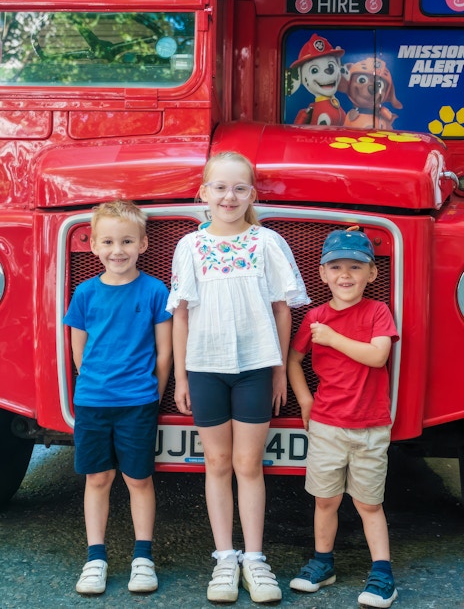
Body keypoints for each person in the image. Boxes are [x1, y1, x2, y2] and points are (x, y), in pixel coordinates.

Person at [167, 151, 309, 604]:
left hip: (253, 369)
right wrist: (183, 377)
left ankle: (255, 558)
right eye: (220, 187)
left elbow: (281, 310)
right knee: (217, 463)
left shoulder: (266, 242)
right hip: (206, 369)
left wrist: (278, 369)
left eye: (240, 188)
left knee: (249, 465)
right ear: (203, 193)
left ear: (252, 194)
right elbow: (182, 315)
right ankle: (225, 557)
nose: (230, 196)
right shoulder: (190, 246)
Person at [63, 200, 173, 596]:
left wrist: (152, 394)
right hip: (93, 401)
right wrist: (95, 384)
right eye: (108, 241)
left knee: (138, 478)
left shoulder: (155, 290)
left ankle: (143, 558)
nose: (118, 250)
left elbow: (165, 353)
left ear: (143, 243)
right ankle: (95, 558)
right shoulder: (85, 293)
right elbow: (79, 352)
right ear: (93, 245)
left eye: (127, 241)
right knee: (98, 477)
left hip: (138, 402)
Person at [287, 227, 399, 609]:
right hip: (327, 425)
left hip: (370, 427)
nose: (345, 275)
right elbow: (293, 360)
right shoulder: (316, 317)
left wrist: (333, 339)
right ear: (322, 273)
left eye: (356, 266)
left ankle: (383, 573)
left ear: (372, 274)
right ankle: (323, 564)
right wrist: (304, 399)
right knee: (326, 500)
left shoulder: (377, 312)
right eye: (336, 267)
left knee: (369, 504)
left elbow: (378, 356)